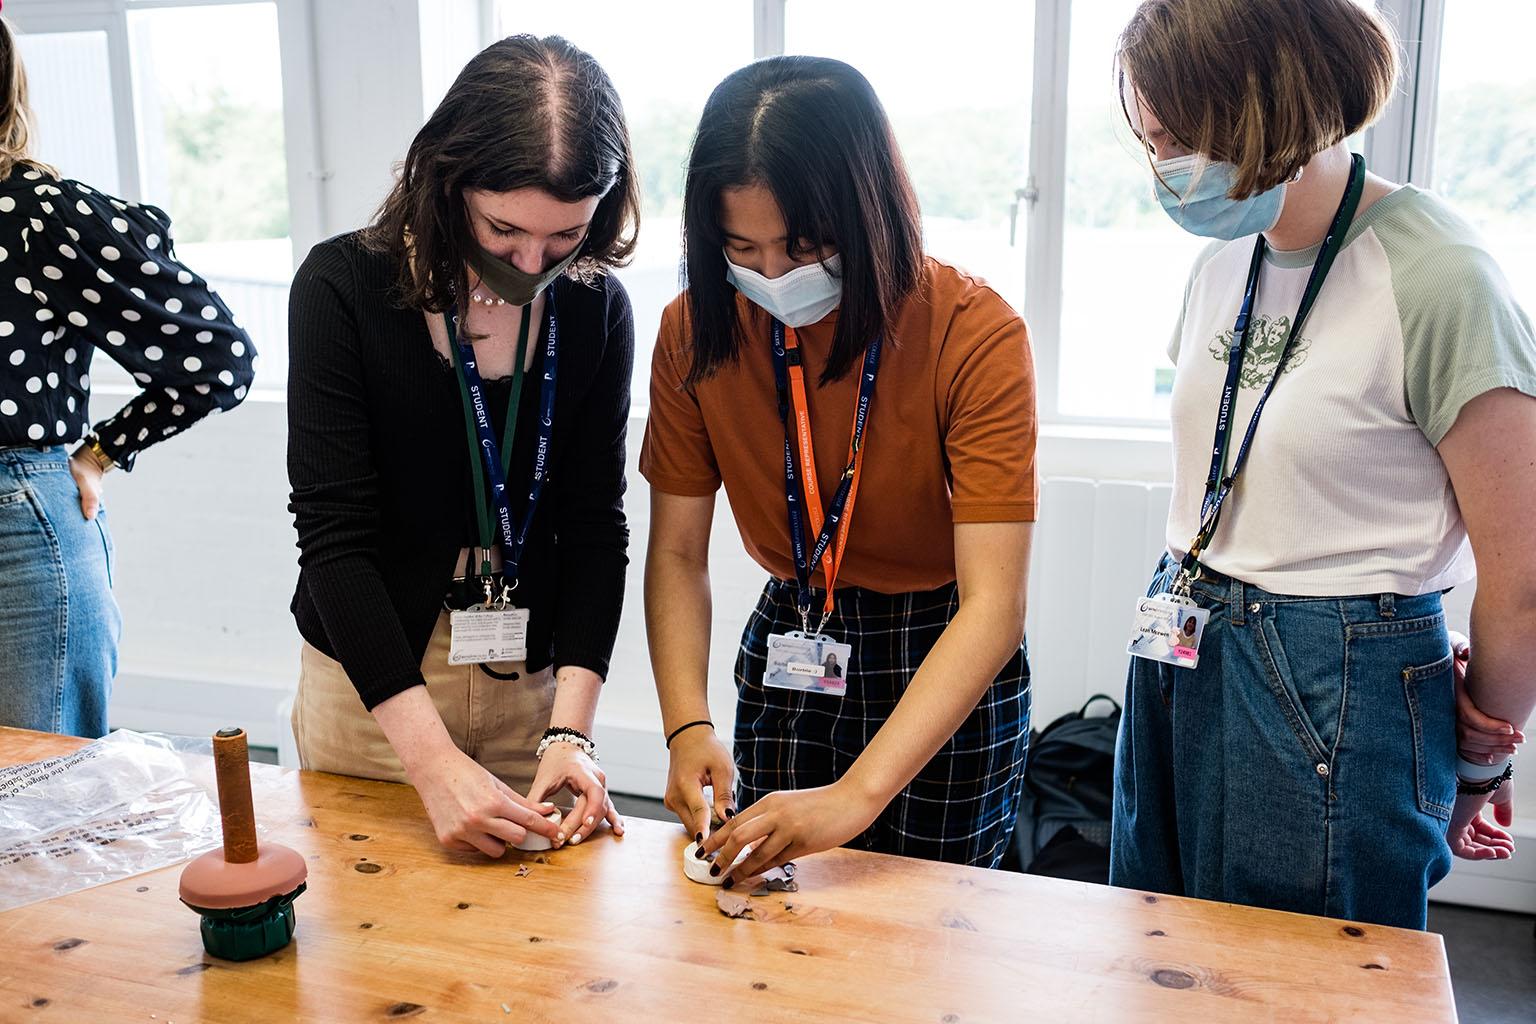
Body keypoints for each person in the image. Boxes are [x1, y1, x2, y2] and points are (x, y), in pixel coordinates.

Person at [1111, 0, 1534, 930]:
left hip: (1340, 667)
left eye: (1181, 136)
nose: (1165, 165)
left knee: (1307, 979)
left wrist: (1481, 762)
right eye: (1152, 139)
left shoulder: (1439, 274)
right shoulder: (1227, 260)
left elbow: (1526, 574)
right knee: (1154, 948)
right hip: (1186, 636)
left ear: (1270, 107)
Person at [643, 56, 1038, 883]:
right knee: (770, 922)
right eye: (742, 249)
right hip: (796, 632)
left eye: (805, 246)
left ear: (868, 215)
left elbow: (994, 606)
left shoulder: (974, 331)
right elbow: (677, 554)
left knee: (929, 938)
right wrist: (686, 728)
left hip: (938, 651)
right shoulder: (694, 331)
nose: (775, 277)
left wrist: (856, 796)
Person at [286, 35, 637, 857]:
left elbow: (597, 529)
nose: (529, 262)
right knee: (375, 947)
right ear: (446, 183)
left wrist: (572, 736)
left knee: (535, 953)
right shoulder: (342, 289)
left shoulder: (595, 310)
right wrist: (432, 760)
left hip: (531, 688)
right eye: (504, 228)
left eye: (564, 238)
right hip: (373, 688)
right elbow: (334, 541)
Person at [0, 15, 255, 738]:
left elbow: (216, 356)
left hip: (15, 532)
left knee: (38, 808)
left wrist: (102, 448)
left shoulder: (34, 215)